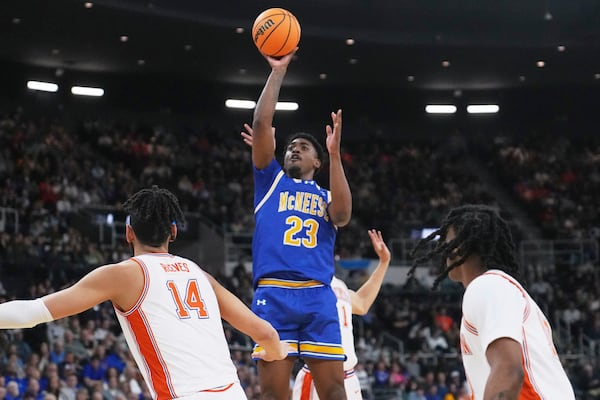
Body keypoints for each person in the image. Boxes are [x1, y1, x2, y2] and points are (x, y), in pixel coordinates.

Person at [0, 186, 287, 400]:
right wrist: (275, 352)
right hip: (233, 393)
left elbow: (32, 312)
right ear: (173, 232)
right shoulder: (200, 274)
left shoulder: (124, 274)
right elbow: (267, 335)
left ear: (128, 233)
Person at [248, 48, 352, 400]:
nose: (294, 149)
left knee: (335, 391)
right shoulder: (270, 182)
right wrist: (278, 71)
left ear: (317, 161)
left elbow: (342, 216)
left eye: (304, 146)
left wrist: (336, 153)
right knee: (275, 395)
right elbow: (262, 124)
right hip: (273, 294)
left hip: (317, 296)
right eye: (290, 145)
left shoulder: (325, 196)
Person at [408, 204, 575, 400]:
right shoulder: (496, 287)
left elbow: (509, 371)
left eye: (446, 241)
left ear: (460, 247)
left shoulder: (487, 285)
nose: (442, 248)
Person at [291, 229, 391, 400]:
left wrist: (383, 262)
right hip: (318, 378)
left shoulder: (338, 285)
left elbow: (361, 303)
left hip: (349, 378)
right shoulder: (301, 284)